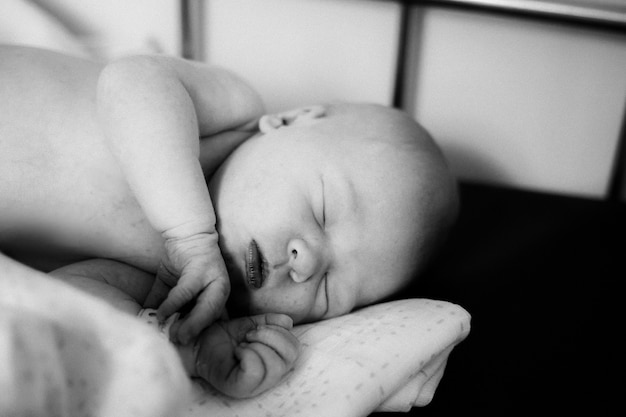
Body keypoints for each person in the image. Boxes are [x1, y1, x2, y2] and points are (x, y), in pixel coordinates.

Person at [0, 45, 458, 397]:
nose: (305, 263)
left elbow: (63, 299)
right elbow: (129, 81)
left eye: (330, 290)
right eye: (323, 209)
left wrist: (185, 345)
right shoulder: (233, 111)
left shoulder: (174, 285)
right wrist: (190, 233)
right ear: (287, 121)